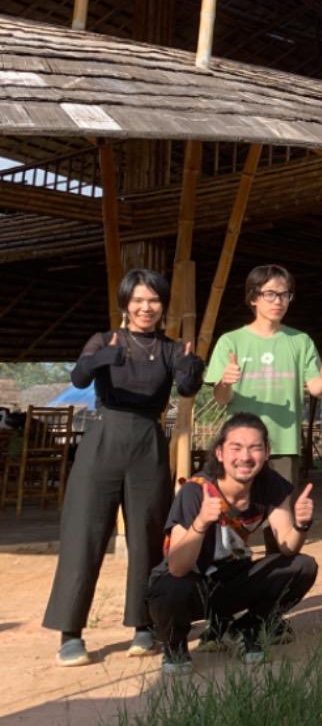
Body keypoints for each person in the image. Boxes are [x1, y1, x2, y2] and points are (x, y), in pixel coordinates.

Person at [43, 268, 205, 667]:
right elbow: (78, 375)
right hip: (103, 436)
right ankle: (70, 632)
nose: (146, 307)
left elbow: (186, 388)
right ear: (126, 305)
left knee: (148, 534)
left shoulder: (170, 349)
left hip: (148, 441)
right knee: (85, 531)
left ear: (162, 306)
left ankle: (144, 625)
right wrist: (101, 359)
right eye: (138, 300)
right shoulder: (104, 339)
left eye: (153, 300)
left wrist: (191, 372)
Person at [146, 413, 318, 675]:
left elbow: (287, 547)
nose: (245, 457)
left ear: (267, 452)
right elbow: (178, 567)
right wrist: (201, 522)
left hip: (231, 580)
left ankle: (244, 628)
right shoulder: (196, 490)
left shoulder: (271, 485)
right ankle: (175, 644)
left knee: (302, 566)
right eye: (235, 448)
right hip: (189, 586)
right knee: (170, 585)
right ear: (219, 453)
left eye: (255, 448)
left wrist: (302, 525)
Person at [205, 265, 322, 494]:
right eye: (270, 294)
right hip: (240, 446)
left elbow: (316, 388)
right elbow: (221, 398)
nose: (278, 301)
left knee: (281, 517)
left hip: (284, 444)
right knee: (238, 513)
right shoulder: (230, 341)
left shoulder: (300, 341)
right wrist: (225, 382)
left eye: (284, 295)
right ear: (253, 298)